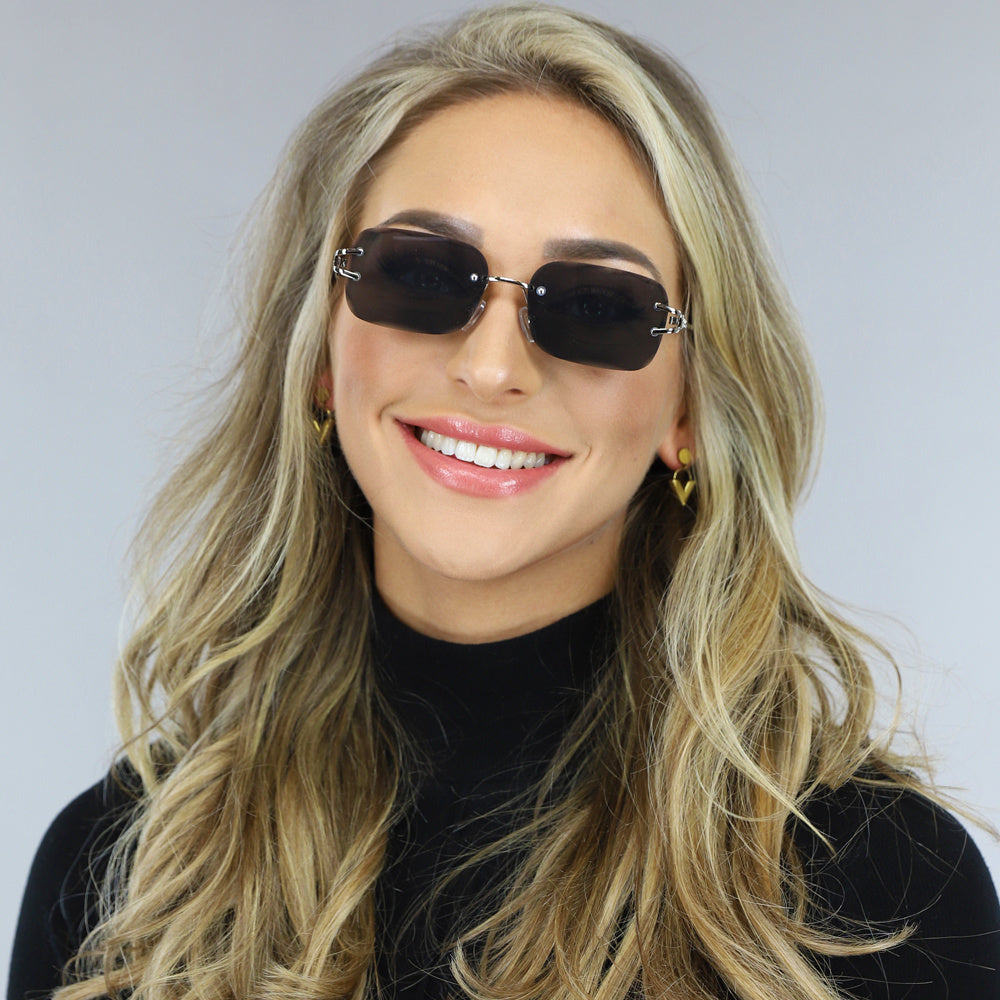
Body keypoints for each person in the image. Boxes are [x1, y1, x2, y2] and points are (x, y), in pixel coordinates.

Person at [9, 5, 999, 999]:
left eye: (595, 305)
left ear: (689, 409)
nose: (490, 368)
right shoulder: (120, 877)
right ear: (318, 354)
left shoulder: (883, 893)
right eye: (421, 274)